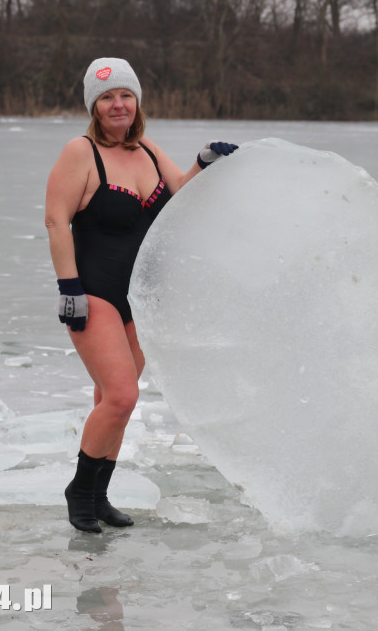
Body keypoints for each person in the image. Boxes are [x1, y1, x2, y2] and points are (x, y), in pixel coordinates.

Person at [44, 57, 238, 533]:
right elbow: (55, 220)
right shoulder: (80, 152)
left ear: (137, 102)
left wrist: (204, 162)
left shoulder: (147, 149)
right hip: (94, 293)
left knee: (113, 401)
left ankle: (99, 495)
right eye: (107, 97)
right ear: (94, 105)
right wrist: (69, 288)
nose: (118, 105)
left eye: (126, 95)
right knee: (121, 396)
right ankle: (79, 491)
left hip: (141, 297)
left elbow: (181, 192)